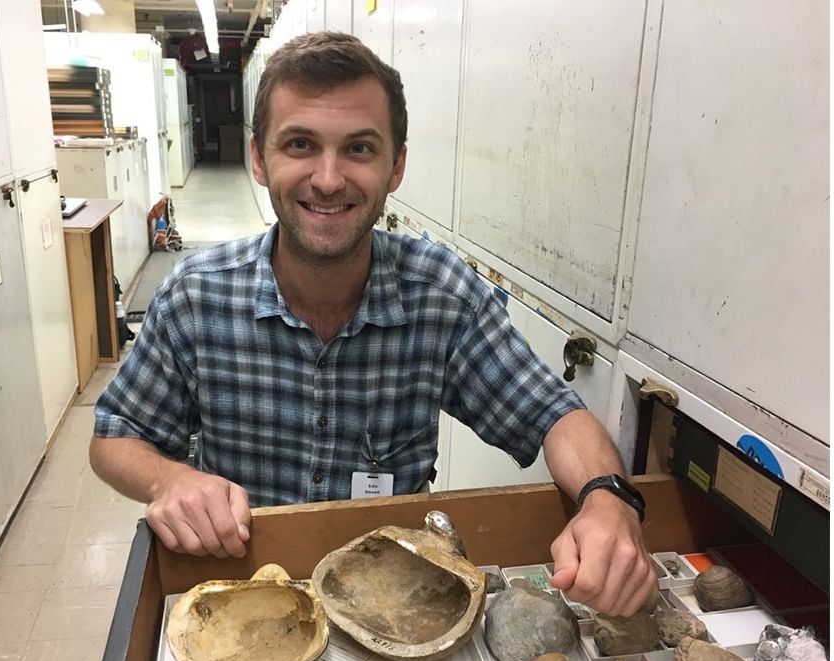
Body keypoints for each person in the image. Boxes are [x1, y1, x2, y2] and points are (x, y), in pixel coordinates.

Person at [90, 31, 656, 616]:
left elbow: (555, 416)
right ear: (259, 158)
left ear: (396, 166)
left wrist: (608, 501)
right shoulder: (196, 295)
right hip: (242, 595)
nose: (329, 179)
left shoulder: (440, 295)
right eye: (301, 144)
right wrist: (168, 481)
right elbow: (113, 436)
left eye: (359, 148)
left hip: (395, 607)